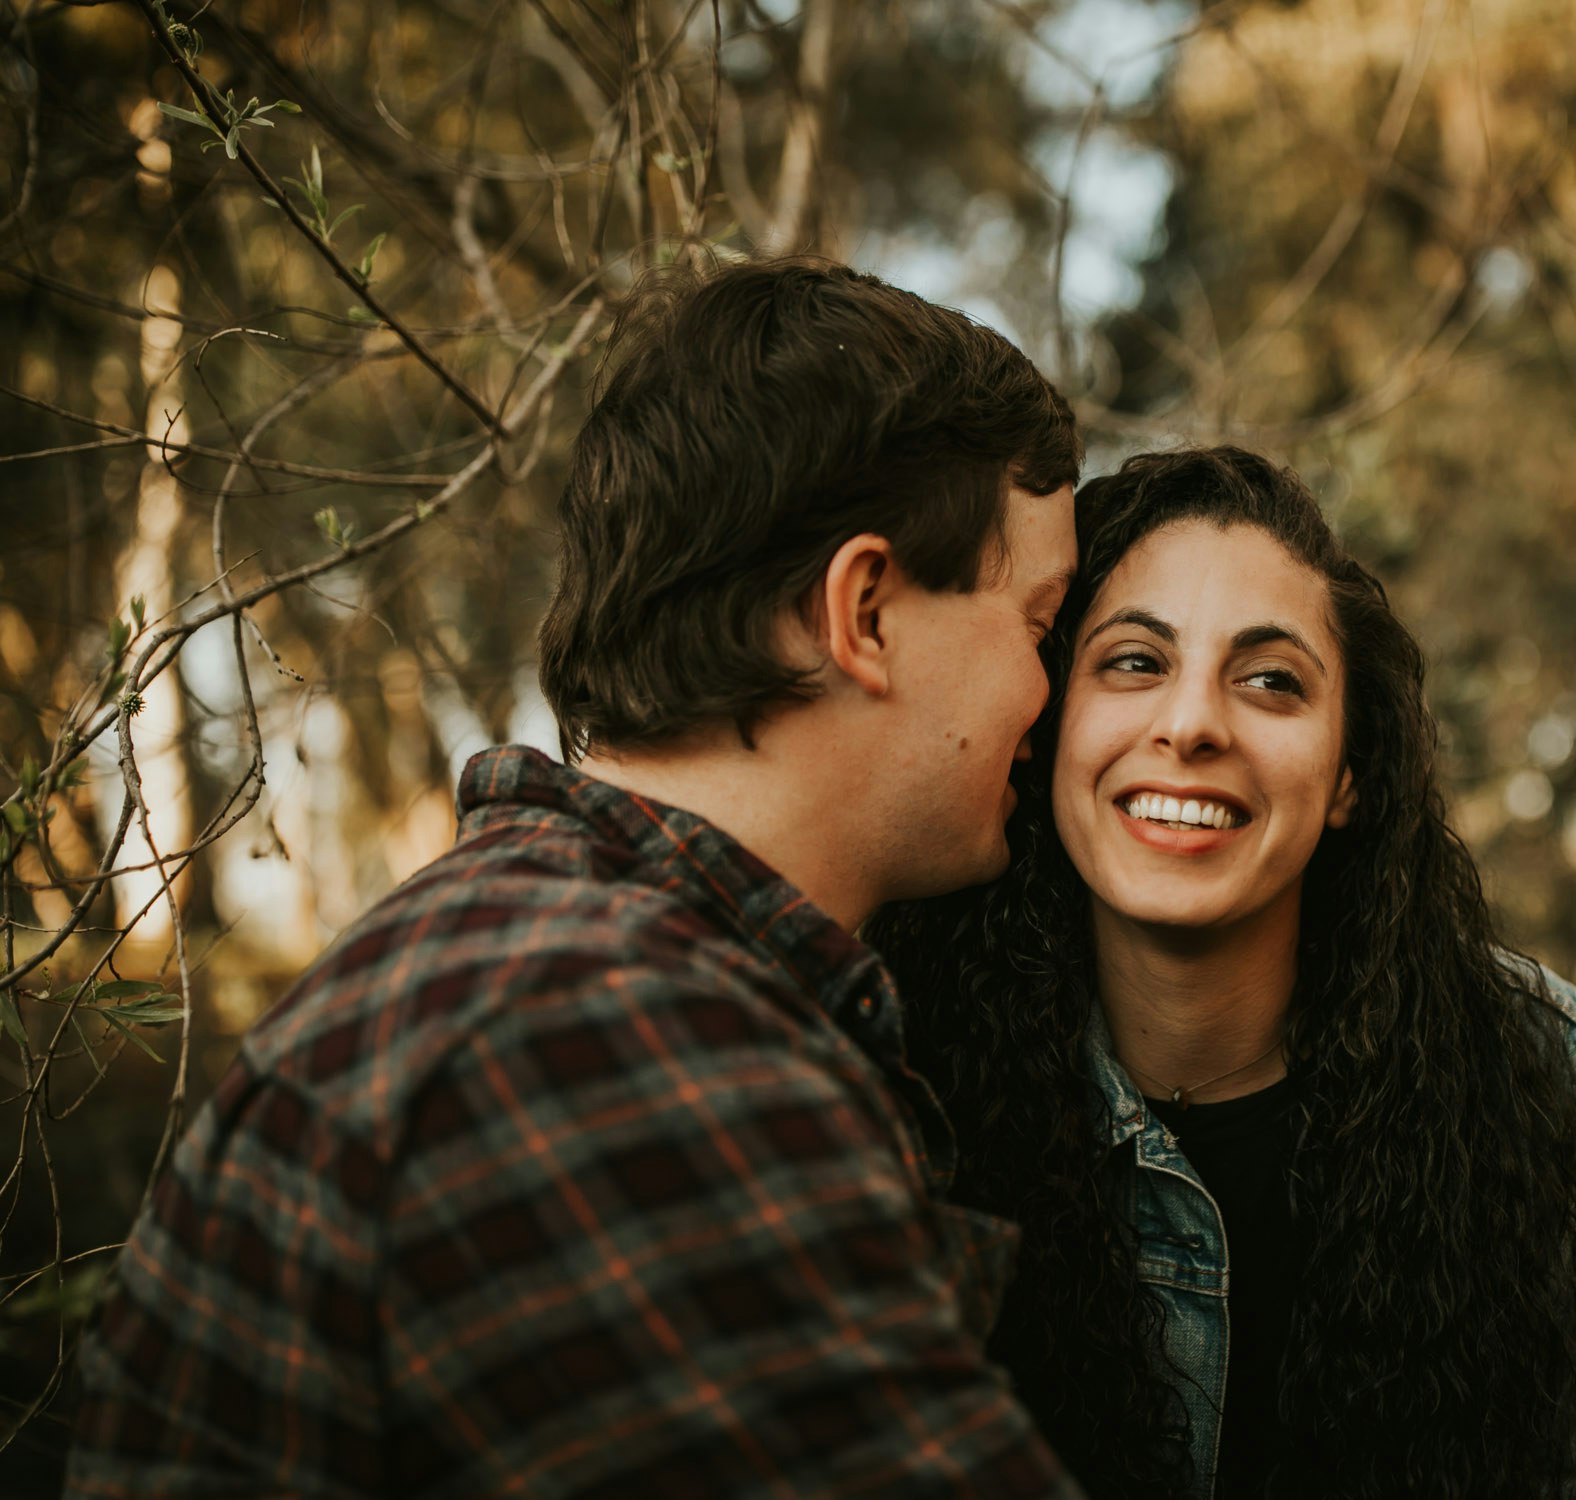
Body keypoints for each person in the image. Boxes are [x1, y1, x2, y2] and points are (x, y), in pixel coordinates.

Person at [66, 258, 1089, 1498]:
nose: (1054, 694)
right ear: (864, 612)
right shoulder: (617, 1043)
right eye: (1039, 626)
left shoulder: (533, 955)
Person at [871, 447, 1576, 1500]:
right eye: (1134, 662)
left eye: (1271, 681)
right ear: (1048, 727)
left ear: (1350, 776)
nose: (1191, 724)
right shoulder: (892, 1063)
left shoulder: (1534, 1066)